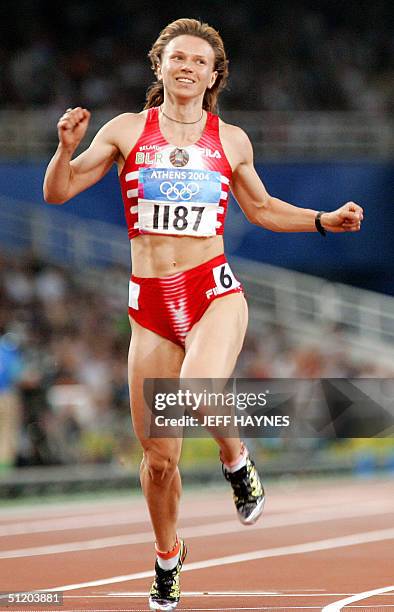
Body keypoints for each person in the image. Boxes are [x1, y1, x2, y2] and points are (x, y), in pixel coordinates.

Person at [43, 18, 363, 611]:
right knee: (159, 461)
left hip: (211, 290)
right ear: (158, 66)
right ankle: (168, 557)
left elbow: (263, 208)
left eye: (199, 60)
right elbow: (58, 193)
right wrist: (64, 149)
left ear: (214, 76)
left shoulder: (232, 140)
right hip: (150, 306)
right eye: (177, 57)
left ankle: (236, 460)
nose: (186, 66)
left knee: (197, 388)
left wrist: (322, 219)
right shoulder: (125, 130)